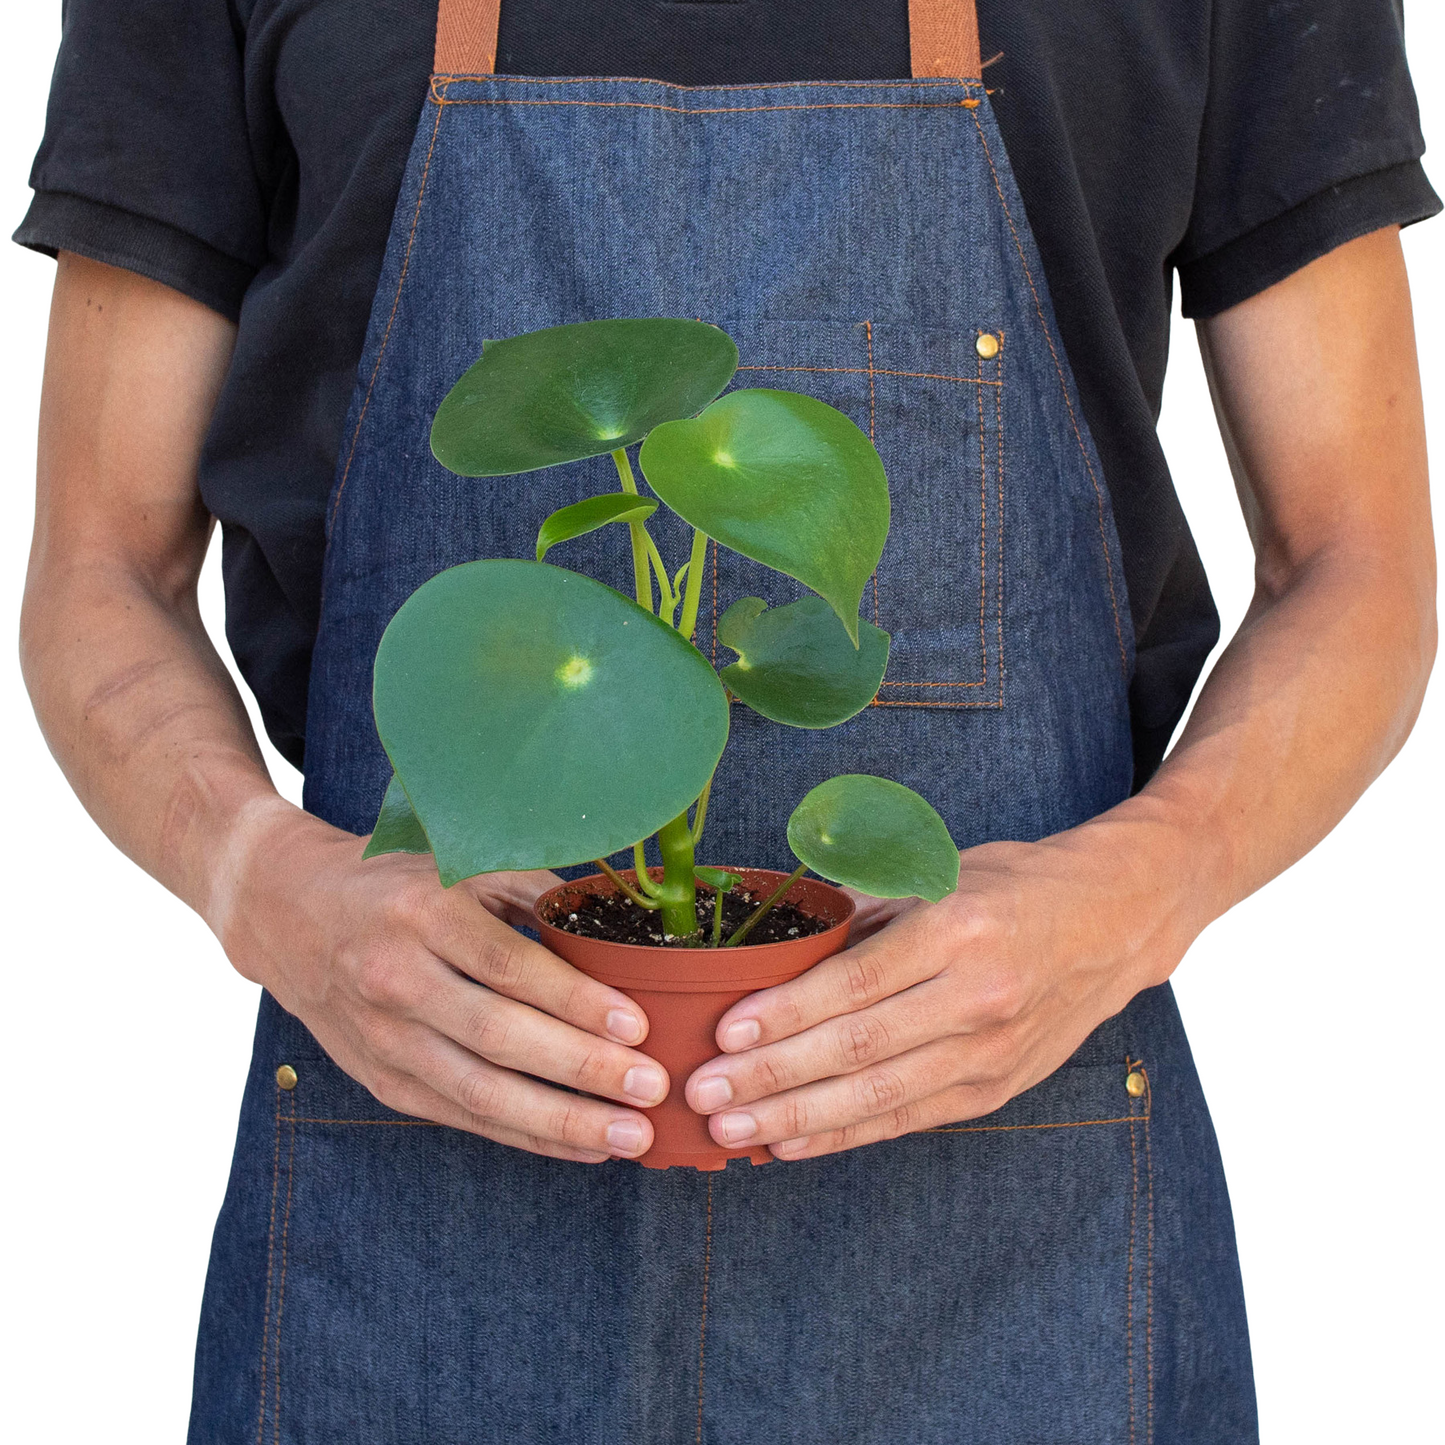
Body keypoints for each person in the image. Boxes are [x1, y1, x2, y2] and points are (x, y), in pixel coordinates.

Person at [16, 0, 1436, 1440]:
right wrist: (263, 884)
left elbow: (1359, 562)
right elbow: (100, 566)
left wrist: (1145, 888)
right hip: (414, 1211)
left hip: (1013, 1229)